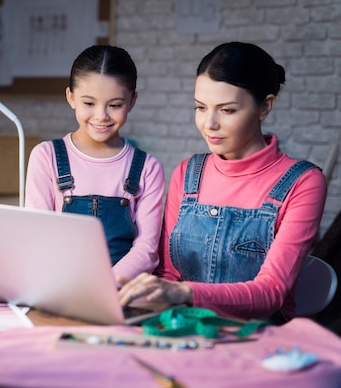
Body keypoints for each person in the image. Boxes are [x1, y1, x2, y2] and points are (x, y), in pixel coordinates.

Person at [117, 42, 327, 323]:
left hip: (258, 338)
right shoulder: (188, 173)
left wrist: (184, 293)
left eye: (227, 110)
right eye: (200, 107)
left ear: (265, 106)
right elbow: (167, 275)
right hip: (184, 330)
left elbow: (271, 292)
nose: (209, 124)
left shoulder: (303, 183)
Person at [25, 45, 165, 279]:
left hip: (120, 293)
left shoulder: (148, 168)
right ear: (71, 97)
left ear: (132, 102)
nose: (101, 115)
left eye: (115, 105)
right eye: (89, 103)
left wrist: (104, 288)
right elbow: (38, 236)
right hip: (59, 285)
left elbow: (146, 251)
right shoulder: (46, 156)